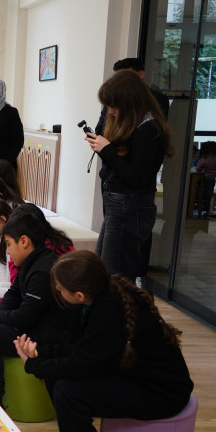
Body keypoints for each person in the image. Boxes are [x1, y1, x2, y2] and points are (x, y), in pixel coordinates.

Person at [15, 251, 193, 432]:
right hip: (138, 376)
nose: (58, 292)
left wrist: (33, 365)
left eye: (60, 290)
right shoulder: (103, 294)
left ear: (79, 294)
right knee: (60, 380)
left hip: (162, 393)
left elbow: (81, 364)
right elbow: (83, 350)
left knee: (67, 392)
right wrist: (42, 352)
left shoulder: (107, 312)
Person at [0, 212, 79, 406]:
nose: (7, 251)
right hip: (36, 323)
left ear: (24, 241)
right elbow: (13, 295)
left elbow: (25, 317)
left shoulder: (42, 271)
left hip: (49, 338)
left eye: (8, 244)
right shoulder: (31, 260)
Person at [86, 70, 174, 282]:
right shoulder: (136, 124)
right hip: (120, 205)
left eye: (113, 106)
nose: (111, 112)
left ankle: (124, 315)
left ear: (129, 102)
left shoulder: (148, 129)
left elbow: (137, 178)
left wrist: (107, 150)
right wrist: (103, 149)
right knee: (104, 271)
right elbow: (122, 167)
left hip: (130, 208)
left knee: (116, 279)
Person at [95, 57, 170, 136]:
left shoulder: (158, 100)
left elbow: (158, 131)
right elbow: (101, 129)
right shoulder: (113, 98)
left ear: (141, 74)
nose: (121, 81)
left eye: (126, 76)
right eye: (118, 77)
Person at [196, 141, 216, 217]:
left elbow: (198, 169)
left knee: (207, 193)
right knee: (209, 193)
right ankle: (209, 210)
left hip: (206, 179)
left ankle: (207, 210)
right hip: (213, 178)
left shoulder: (204, 158)